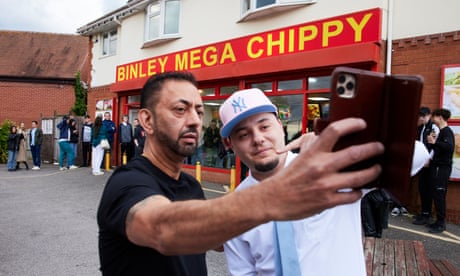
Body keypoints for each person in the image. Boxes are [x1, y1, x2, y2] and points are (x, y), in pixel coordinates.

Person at [97, 72, 384, 275]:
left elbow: (221, 235)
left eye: (198, 110)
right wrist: (273, 196)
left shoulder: (190, 187)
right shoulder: (127, 182)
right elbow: (163, 229)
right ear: (146, 120)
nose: (195, 120)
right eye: (180, 109)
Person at [221, 88, 367, 275]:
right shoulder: (234, 209)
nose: (258, 139)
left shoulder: (330, 167)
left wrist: (337, 146)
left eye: (264, 127)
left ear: (280, 126)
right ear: (230, 145)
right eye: (243, 135)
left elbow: (413, 157)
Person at [425, 108, 454, 233]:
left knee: (439, 194)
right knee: (436, 194)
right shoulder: (440, 131)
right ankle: (437, 221)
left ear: (440, 117)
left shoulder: (447, 132)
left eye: (435, 117)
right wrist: (431, 143)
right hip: (436, 167)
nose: (433, 119)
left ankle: (441, 223)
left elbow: (449, 147)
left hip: (442, 169)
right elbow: (437, 148)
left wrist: (435, 142)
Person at [413, 107, 440, 225]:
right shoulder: (422, 128)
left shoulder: (433, 127)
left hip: (429, 163)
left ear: (429, 115)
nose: (421, 118)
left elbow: (434, 145)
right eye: (420, 116)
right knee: (422, 188)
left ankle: (427, 215)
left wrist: (429, 158)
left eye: (423, 116)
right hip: (421, 162)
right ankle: (424, 213)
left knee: (428, 189)